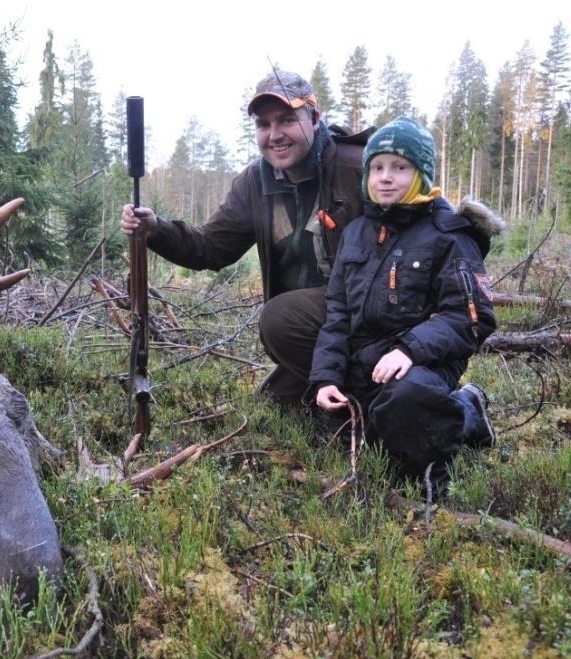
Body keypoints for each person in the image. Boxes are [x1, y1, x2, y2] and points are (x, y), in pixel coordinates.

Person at [120, 71, 367, 407]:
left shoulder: (359, 169)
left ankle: (376, 398)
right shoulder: (255, 181)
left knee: (279, 319)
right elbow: (211, 247)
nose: (275, 135)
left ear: (314, 118)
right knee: (272, 406)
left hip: (368, 317)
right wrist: (157, 229)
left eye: (286, 120)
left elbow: (426, 218)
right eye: (263, 125)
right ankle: (347, 394)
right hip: (320, 334)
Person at [309, 116, 504, 488]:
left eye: (400, 167)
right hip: (365, 362)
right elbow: (338, 315)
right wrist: (325, 378)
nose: (385, 177)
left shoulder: (448, 235)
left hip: (423, 365)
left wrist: (409, 350)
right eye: (377, 167)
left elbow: (471, 318)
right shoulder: (354, 234)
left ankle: (436, 472)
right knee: (345, 423)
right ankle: (464, 411)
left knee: (405, 404)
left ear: (421, 174)